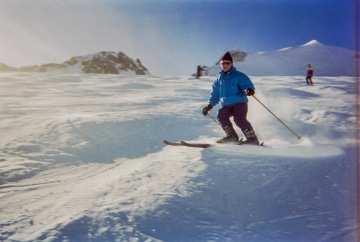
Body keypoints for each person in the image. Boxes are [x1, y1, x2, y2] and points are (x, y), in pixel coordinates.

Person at [202, 51, 259, 145]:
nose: (225, 65)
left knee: (239, 118)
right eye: (222, 63)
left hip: (239, 102)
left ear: (231, 64)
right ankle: (231, 136)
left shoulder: (238, 75)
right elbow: (215, 94)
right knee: (221, 115)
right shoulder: (218, 80)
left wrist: (248, 90)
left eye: (227, 63)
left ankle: (252, 138)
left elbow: (246, 84)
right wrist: (209, 106)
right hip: (227, 104)